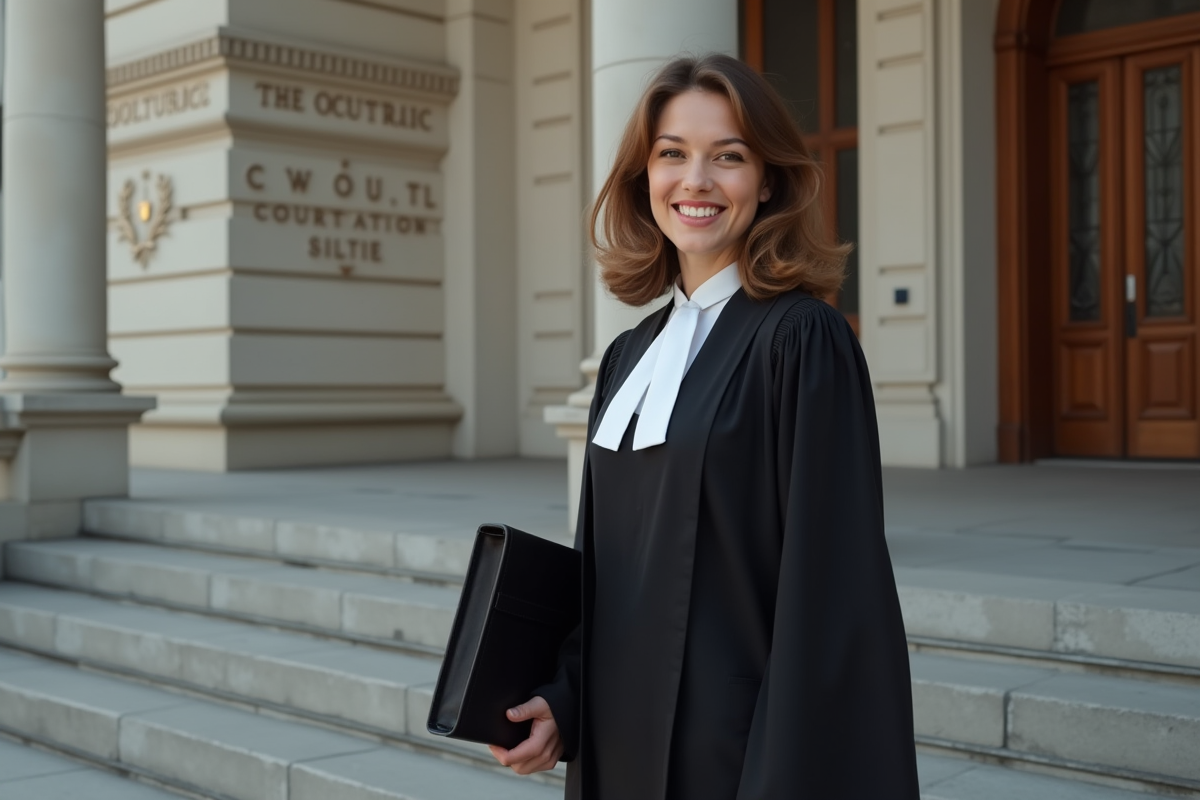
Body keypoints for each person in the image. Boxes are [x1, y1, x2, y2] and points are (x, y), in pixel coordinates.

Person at [488, 53, 919, 800]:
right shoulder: (630, 355)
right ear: (642, 179)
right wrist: (564, 699)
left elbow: (832, 599)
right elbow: (613, 570)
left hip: (736, 754)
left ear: (770, 179)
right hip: (619, 750)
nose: (696, 181)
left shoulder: (801, 340)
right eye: (672, 155)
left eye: (729, 156)